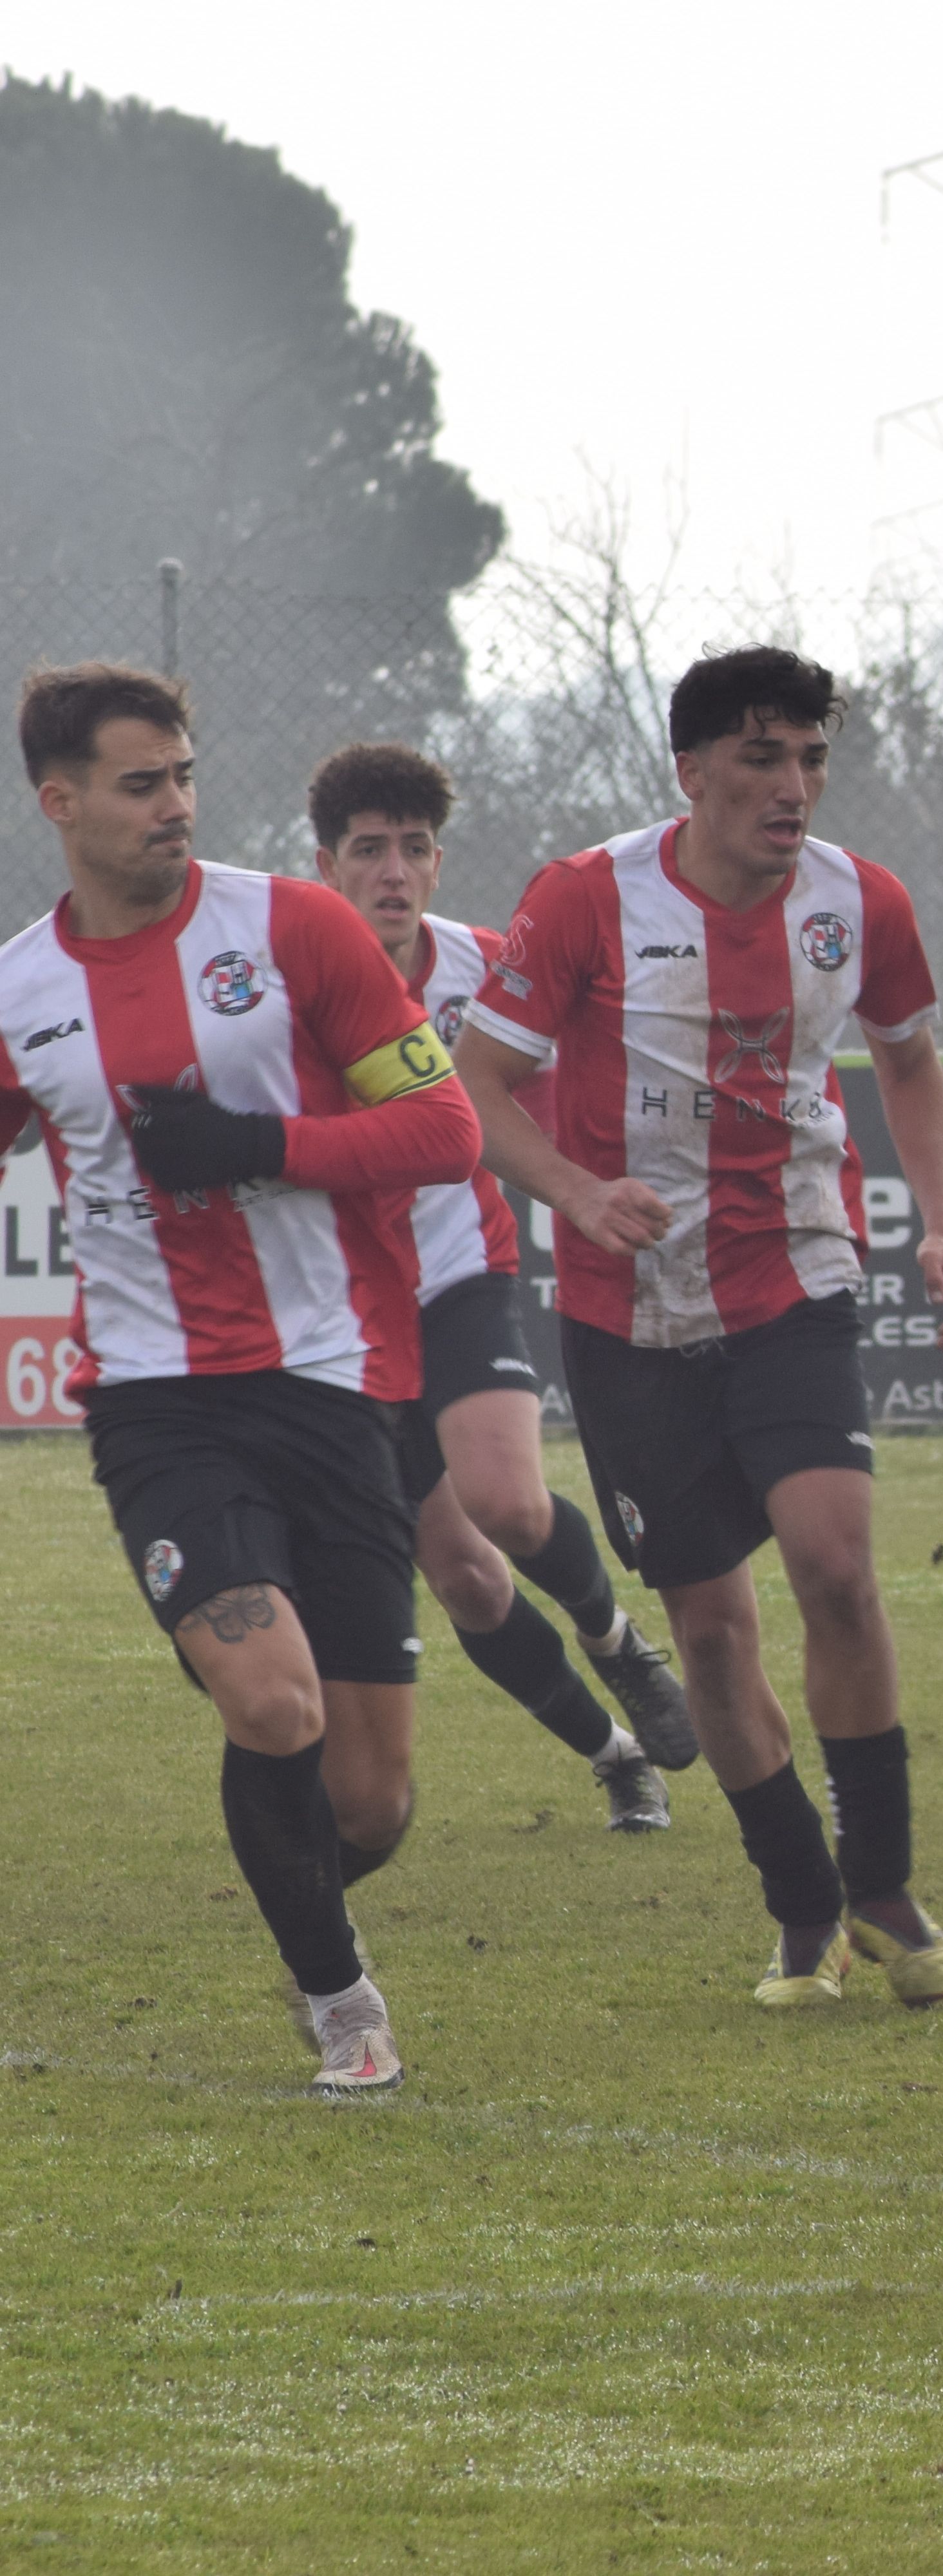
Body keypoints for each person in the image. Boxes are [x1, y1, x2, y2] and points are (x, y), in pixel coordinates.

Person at [452, 647, 943, 2009]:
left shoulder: (861, 898)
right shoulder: (585, 897)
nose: (793, 785)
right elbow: (482, 1085)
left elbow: (911, 1058)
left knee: (837, 1560)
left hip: (795, 1274)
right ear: (691, 772)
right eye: (762, 757)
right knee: (707, 1630)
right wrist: (578, 1191)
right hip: (624, 1310)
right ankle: (802, 1907)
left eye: (811, 756)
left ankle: (884, 1884)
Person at [0, 664, 484, 2093]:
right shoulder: (23, 987)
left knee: (371, 1797)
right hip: (158, 1402)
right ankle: (345, 2006)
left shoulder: (298, 926)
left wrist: (260, 1145)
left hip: (335, 1384)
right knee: (270, 1701)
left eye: (185, 775)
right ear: (61, 801)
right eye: (142, 782)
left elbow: (445, 1127)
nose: (176, 805)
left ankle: (306, 1908)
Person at [305, 743, 696, 1830]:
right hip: (343, 1315)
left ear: (436, 864)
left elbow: (561, 1094)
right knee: (468, 1584)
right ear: (326, 864)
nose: (394, 871)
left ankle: (620, 1641)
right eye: (370, 850)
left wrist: (599, 1187)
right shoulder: (288, 976)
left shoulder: (485, 970)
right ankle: (617, 1756)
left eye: (414, 849)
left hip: (462, 1275)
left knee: (511, 1503)